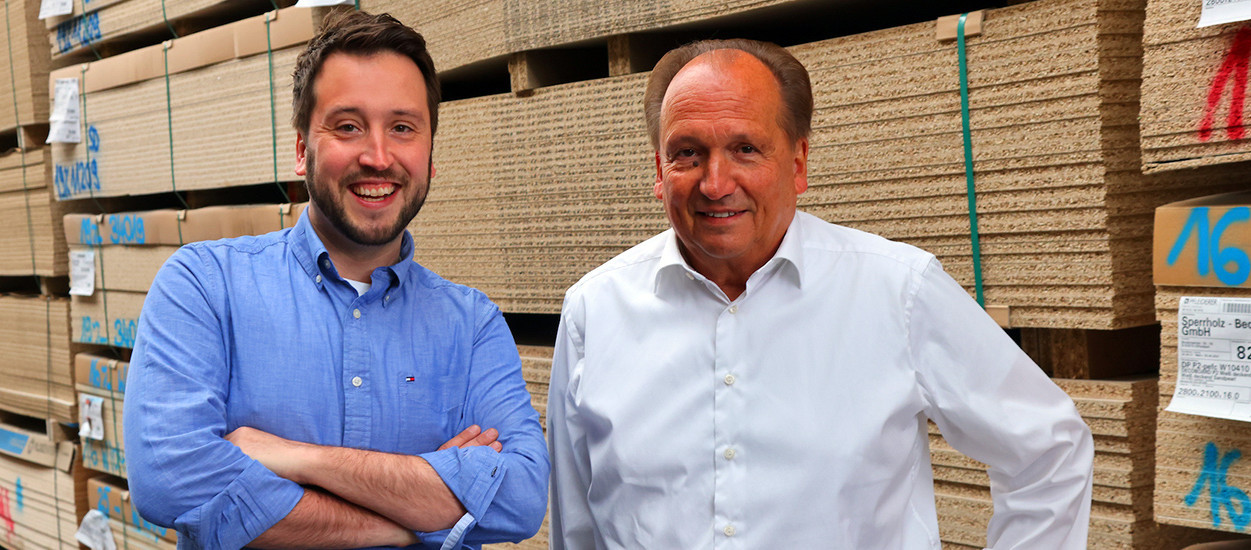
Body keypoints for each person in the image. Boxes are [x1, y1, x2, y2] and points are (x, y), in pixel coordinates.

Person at [547, 39, 1094, 548]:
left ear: (798, 163)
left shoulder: (897, 291)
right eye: (687, 152)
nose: (715, 183)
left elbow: (1049, 450)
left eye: (745, 149)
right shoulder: (593, 313)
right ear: (660, 171)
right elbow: (576, 525)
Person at [124, 11, 548, 549]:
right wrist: (415, 519)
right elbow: (172, 481)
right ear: (302, 150)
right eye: (348, 126)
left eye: (403, 127)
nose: (378, 156)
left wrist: (302, 460)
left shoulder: (472, 325)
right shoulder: (205, 287)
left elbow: (522, 497)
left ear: (430, 153)